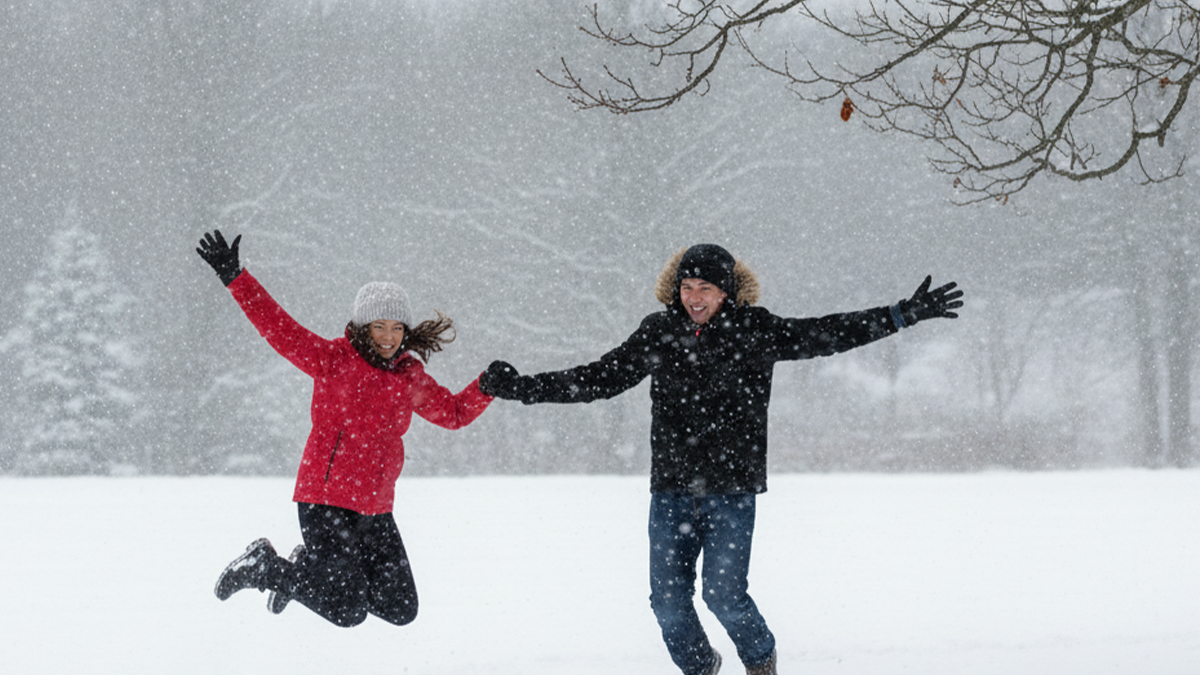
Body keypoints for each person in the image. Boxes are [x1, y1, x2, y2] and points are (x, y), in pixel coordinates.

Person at [479, 244, 962, 675]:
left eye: (705, 288)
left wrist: (901, 315)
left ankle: (760, 661)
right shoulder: (659, 332)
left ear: (726, 292)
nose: (694, 297)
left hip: (731, 492)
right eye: (686, 287)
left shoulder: (754, 330)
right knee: (667, 604)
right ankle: (700, 667)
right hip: (671, 492)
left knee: (724, 596)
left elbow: (826, 333)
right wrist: (522, 388)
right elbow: (600, 378)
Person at [197, 229, 493, 628]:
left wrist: (487, 387)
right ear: (363, 326)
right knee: (346, 610)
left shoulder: (409, 378)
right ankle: (266, 567)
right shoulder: (333, 359)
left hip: (376, 509)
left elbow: (454, 413)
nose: (388, 337)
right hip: (326, 503)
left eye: (396, 328)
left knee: (400, 607)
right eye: (379, 327)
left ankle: (305, 572)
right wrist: (236, 278)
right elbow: (280, 329)